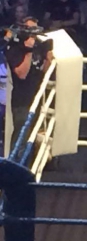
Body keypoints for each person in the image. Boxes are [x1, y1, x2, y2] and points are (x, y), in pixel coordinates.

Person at [4, 17, 53, 155]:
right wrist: (28, 50)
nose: (33, 34)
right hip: (22, 100)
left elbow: (43, 71)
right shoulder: (14, 48)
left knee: (34, 138)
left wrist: (49, 58)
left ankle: (29, 165)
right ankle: (14, 164)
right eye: (30, 30)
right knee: (21, 136)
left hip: (38, 97)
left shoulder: (39, 46)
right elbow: (22, 74)